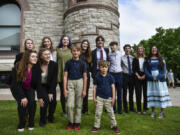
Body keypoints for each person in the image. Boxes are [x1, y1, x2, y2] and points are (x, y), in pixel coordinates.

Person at [10, 50, 41, 132]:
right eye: (33, 56)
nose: (35, 58)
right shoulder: (18, 66)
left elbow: (38, 84)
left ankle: (31, 122)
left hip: (29, 87)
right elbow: (16, 84)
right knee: (22, 104)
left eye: (36, 57)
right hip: (17, 88)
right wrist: (22, 97)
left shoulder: (37, 67)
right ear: (27, 58)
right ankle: (22, 123)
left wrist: (40, 96)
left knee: (32, 102)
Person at [91, 60, 120, 134]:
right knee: (98, 113)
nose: (104, 68)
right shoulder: (97, 77)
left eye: (105, 67)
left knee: (111, 113)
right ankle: (96, 126)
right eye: (102, 67)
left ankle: (114, 126)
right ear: (99, 67)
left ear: (108, 68)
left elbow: (113, 88)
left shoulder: (110, 77)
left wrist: (113, 98)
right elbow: (94, 88)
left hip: (108, 98)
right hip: (99, 98)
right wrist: (94, 98)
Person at [64, 44, 87, 130]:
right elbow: (65, 76)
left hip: (80, 82)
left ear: (80, 52)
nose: (75, 52)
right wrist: (64, 89)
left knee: (78, 104)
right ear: (71, 52)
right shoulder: (68, 63)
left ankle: (77, 122)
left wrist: (84, 90)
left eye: (77, 51)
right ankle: (70, 122)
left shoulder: (83, 63)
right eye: (74, 51)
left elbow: (85, 77)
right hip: (70, 82)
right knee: (70, 105)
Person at [144, 45, 172, 118]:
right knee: (152, 96)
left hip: (160, 80)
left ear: (157, 50)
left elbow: (164, 70)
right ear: (151, 50)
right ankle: (153, 112)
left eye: (155, 48)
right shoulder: (148, 59)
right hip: (151, 80)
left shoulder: (161, 59)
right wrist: (151, 77)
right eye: (152, 48)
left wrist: (157, 77)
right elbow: (146, 70)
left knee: (161, 95)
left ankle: (162, 112)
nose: (154, 50)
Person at [38, 48, 58, 127]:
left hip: (51, 86)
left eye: (49, 54)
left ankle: (50, 116)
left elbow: (54, 79)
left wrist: (51, 92)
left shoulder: (54, 64)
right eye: (45, 54)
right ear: (41, 56)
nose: (48, 56)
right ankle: (42, 120)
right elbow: (37, 80)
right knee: (44, 101)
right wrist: (39, 95)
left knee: (53, 102)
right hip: (41, 86)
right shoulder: (37, 65)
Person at [57, 35, 72, 117]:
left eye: (67, 40)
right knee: (63, 93)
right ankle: (64, 111)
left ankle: (70, 109)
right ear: (61, 41)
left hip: (70, 74)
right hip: (61, 74)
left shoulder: (71, 50)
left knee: (70, 93)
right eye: (64, 39)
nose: (65, 41)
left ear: (69, 41)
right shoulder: (57, 50)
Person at [108, 41, 123, 114]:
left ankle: (120, 109)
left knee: (119, 92)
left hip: (119, 74)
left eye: (114, 45)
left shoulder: (121, 54)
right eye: (111, 46)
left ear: (117, 46)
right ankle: (113, 109)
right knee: (112, 93)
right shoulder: (109, 55)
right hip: (112, 74)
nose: (112, 47)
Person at [132, 45, 147, 114]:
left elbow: (148, 68)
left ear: (143, 50)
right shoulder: (135, 59)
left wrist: (144, 75)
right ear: (137, 50)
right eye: (139, 49)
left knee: (145, 94)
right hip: (137, 77)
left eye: (141, 49)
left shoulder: (146, 58)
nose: (140, 50)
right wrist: (138, 76)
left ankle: (144, 109)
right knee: (138, 94)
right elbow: (133, 69)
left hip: (145, 76)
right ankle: (138, 109)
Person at [121, 44, 136, 113]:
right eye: (126, 48)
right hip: (125, 76)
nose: (127, 49)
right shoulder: (121, 58)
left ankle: (131, 107)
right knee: (124, 93)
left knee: (131, 92)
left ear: (130, 50)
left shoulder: (133, 58)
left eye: (128, 48)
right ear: (124, 50)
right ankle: (126, 108)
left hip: (132, 76)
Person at [80, 40, 92, 114]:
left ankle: (85, 109)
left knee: (85, 92)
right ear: (82, 45)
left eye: (86, 44)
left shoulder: (89, 55)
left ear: (88, 46)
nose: (85, 45)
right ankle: (79, 108)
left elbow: (90, 65)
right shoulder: (79, 53)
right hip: (79, 74)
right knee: (79, 92)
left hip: (86, 74)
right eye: (84, 43)